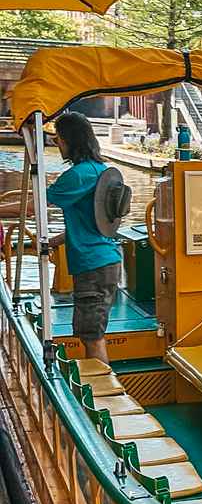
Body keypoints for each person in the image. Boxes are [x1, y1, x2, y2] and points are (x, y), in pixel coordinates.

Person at [46, 112, 123, 364]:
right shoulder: (100, 170)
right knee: (92, 331)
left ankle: (103, 397)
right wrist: (56, 240)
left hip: (92, 266)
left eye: (58, 139)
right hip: (106, 260)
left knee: (92, 336)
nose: (57, 144)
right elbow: (91, 223)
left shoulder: (78, 175)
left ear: (70, 139)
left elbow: (35, 203)